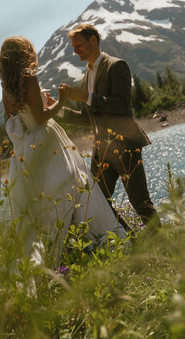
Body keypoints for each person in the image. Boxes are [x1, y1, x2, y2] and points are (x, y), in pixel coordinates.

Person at [0, 36, 126, 299]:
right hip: (47, 144)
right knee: (70, 190)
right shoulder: (29, 78)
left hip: (26, 149)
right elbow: (40, 118)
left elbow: (17, 120)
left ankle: (56, 256)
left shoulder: (7, 88)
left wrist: (38, 106)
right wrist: (58, 102)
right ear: (25, 54)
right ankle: (87, 246)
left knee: (42, 209)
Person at [59, 24, 160, 230]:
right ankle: (132, 240)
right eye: (73, 46)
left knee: (141, 203)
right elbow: (87, 118)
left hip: (125, 146)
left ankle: (165, 248)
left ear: (93, 40)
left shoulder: (117, 65)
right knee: (98, 203)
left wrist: (86, 97)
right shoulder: (86, 76)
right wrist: (57, 110)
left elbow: (122, 105)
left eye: (78, 45)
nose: (75, 50)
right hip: (101, 152)